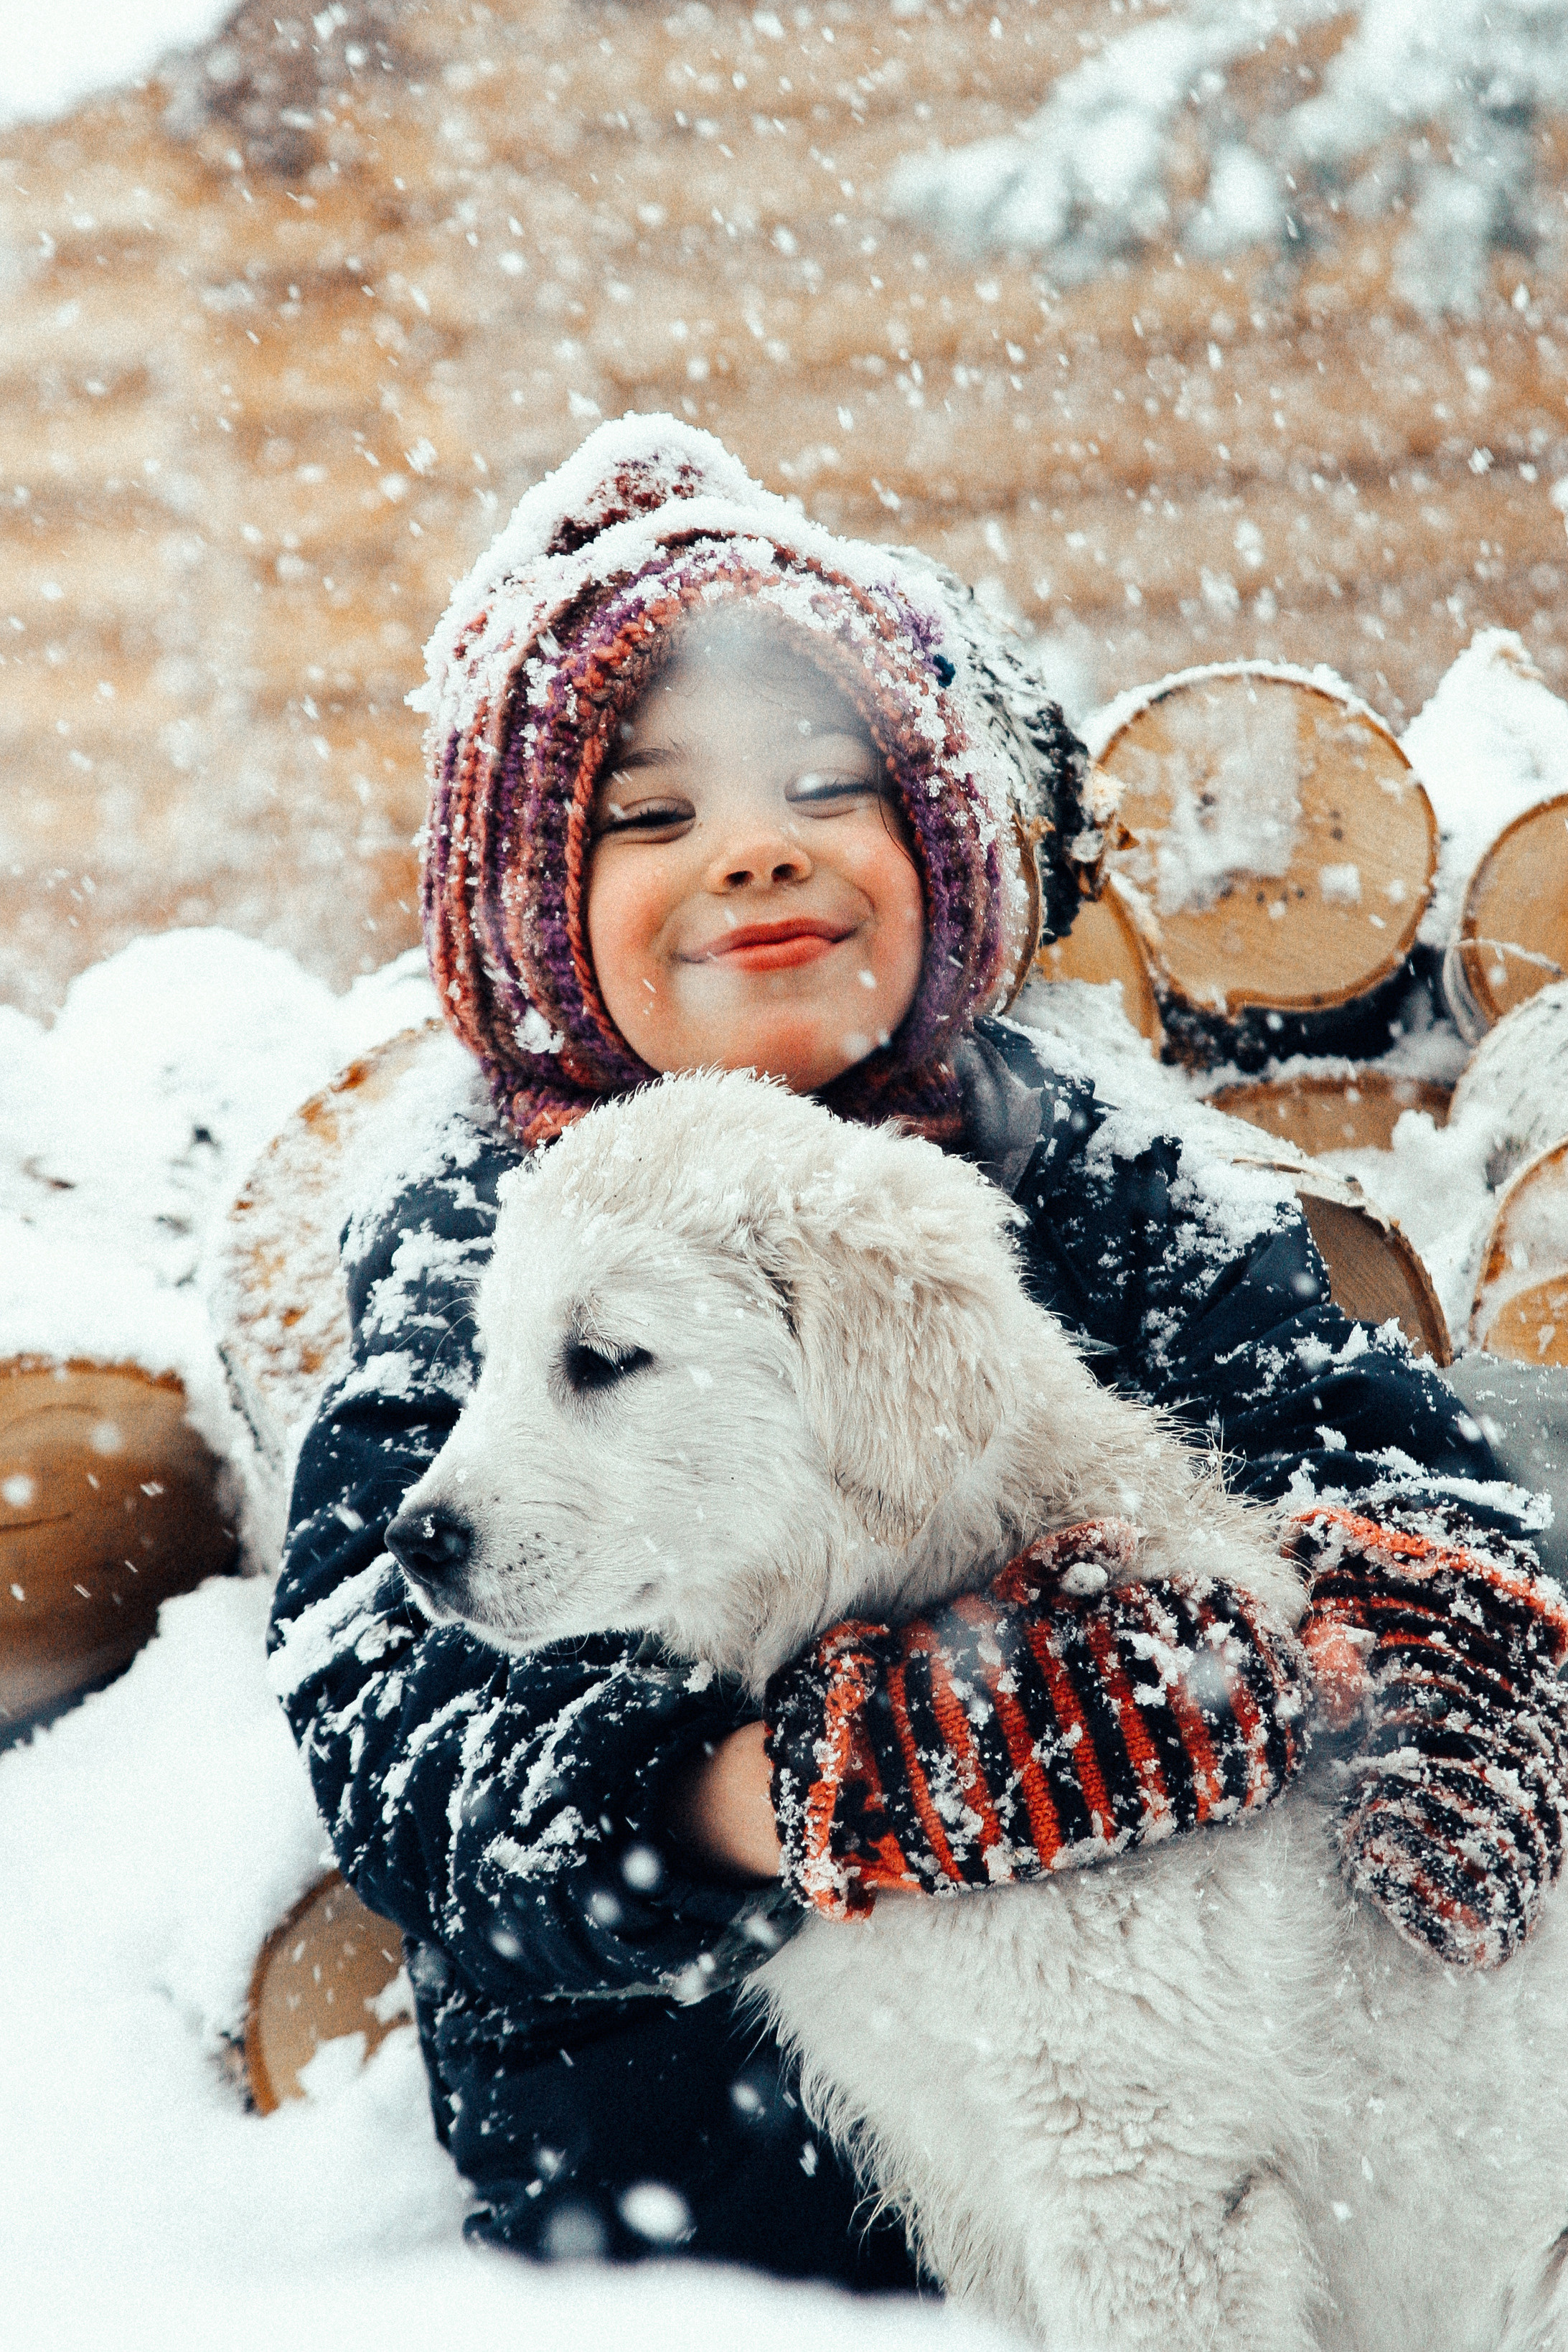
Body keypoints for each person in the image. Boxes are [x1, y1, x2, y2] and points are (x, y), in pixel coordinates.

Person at [267, 416, 1568, 2288]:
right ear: (533, 919)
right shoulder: (492, 1237)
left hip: (1175, 2132)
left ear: (940, 851)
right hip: (694, 2192)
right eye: (651, 815)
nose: (754, 854)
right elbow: (392, 1707)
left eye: (826, 785)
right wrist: (770, 1788)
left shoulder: (1088, 1166)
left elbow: (1358, 1440)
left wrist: (1429, 1628)